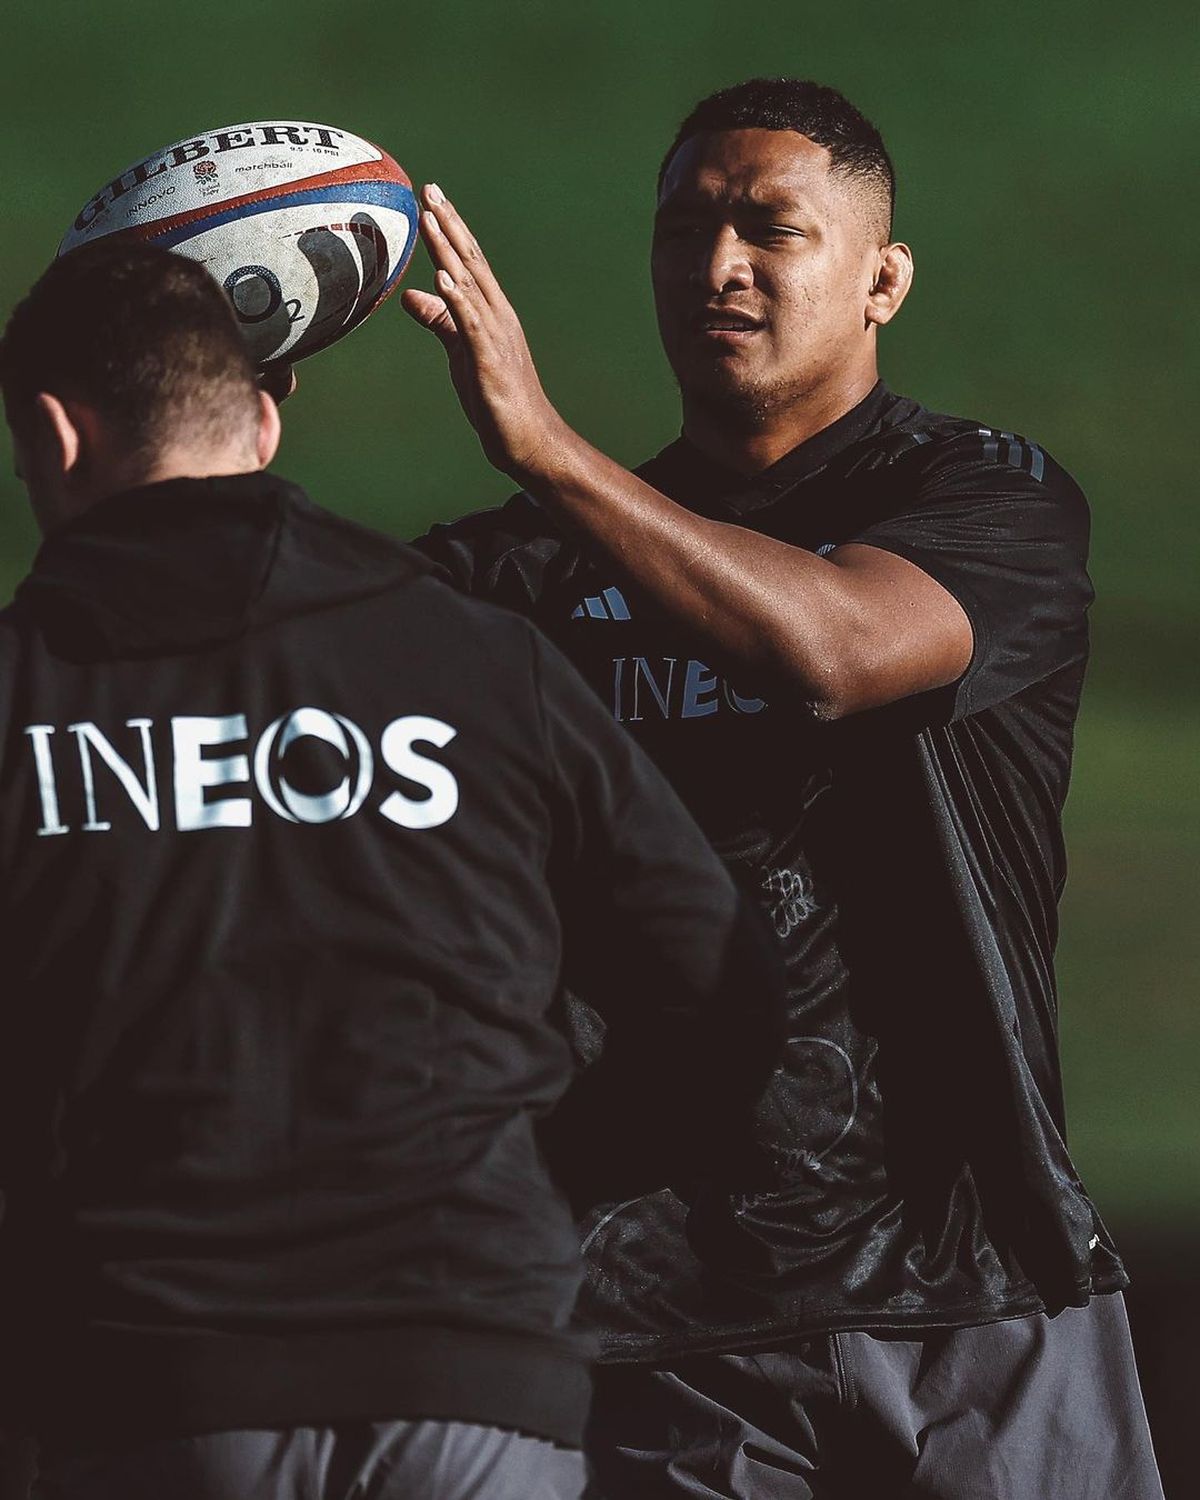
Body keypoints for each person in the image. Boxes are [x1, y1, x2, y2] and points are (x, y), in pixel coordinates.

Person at [393, 77, 1165, 1497]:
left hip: (979, 1290)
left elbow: (836, 651)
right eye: (683, 230)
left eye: (770, 227)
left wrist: (547, 451)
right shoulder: (523, 578)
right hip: (669, 1317)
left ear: (884, 277)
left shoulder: (983, 497)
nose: (718, 265)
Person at [0, 239, 786, 1500]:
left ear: (55, 433)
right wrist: (537, 1176)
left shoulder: (20, 701)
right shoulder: (481, 663)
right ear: (262, 422)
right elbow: (725, 992)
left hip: (157, 1396)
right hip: (477, 1387)